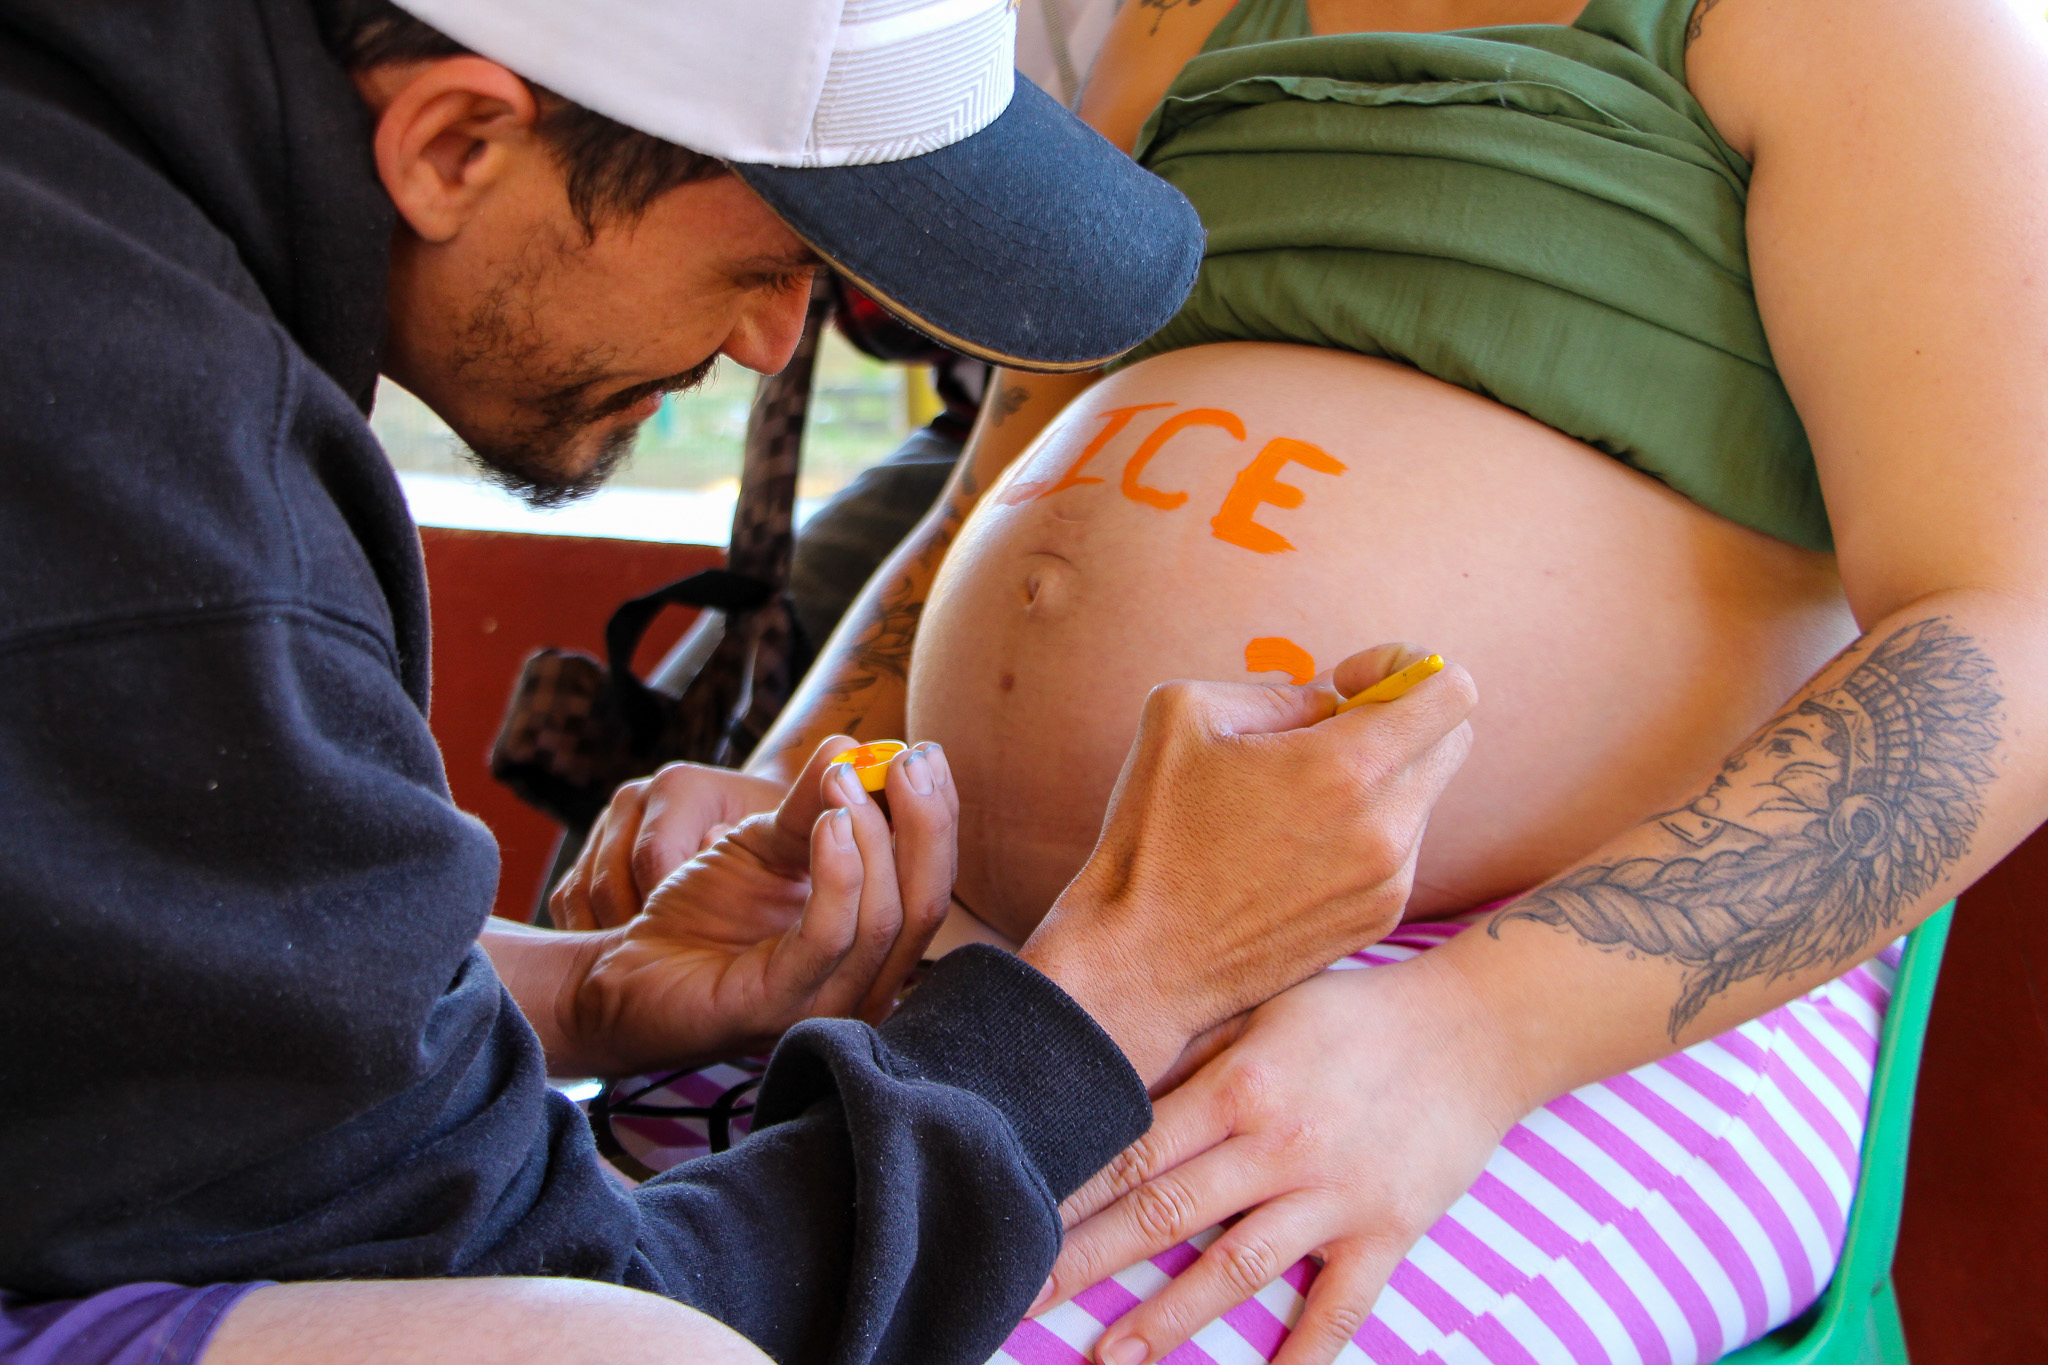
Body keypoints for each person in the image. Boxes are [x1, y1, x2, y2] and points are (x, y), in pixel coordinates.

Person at [550, 0, 2048, 1359]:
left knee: (891, 1321)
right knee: (566, 1250)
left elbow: (2014, 617)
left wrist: (1475, 1034)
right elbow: (988, 489)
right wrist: (802, 783)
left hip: (1531, 989)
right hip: (1045, 949)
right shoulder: (1179, 15)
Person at [0, 1, 1486, 1363]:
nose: (775, 343)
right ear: (454, 146)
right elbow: (580, 1313)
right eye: (769, 257)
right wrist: (1124, 985)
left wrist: (579, 987)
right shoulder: (159, 530)